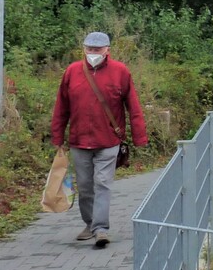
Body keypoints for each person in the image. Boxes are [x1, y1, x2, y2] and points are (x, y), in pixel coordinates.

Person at [50, 31, 148, 248]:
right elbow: (61, 107)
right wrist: (57, 136)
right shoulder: (72, 72)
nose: (93, 53)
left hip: (108, 141)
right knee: (85, 187)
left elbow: (133, 106)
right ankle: (90, 223)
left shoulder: (120, 72)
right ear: (84, 49)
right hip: (79, 141)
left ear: (107, 50)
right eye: (90, 49)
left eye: (98, 49)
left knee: (102, 183)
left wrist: (139, 136)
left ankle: (101, 228)